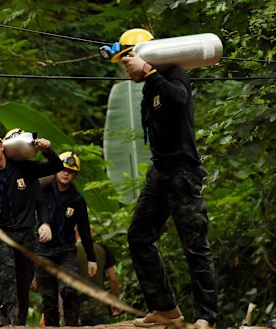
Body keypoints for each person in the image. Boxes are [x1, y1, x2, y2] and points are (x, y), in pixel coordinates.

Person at [114, 28, 219, 329]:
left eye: (128, 59)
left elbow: (177, 99)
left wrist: (148, 72)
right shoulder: (150, 84)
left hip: (182, 171)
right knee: (139, 236)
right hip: (159, 171)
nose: (126, 66)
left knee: (195, 244)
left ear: (143, 55)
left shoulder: (174, 73)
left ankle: (207, 317)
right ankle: (165, 309)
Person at [0, 129, 63, 326]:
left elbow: (56, 166)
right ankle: (8, 324)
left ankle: (19, 323)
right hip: (1, 237)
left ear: (1, 146)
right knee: (6, 281)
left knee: (23, 283)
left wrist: (48, 149)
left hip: (26, 235)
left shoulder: (24, 169)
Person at [36, 152, 98, 327]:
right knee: (48, 298)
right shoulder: (43, 190)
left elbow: (85, 230)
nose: (66, 173)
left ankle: (71, 325)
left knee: (69, 289)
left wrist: (91, 258)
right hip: (43, 252)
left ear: (75, 175)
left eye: (71, 171)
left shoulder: (77, 199)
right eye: (63, 169)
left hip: (66, 252)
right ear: (56, 170)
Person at [76, 228, 121, 325]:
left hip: (78, 303)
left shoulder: (70, 252)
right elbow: (113, 280)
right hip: (100, 302)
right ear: (91, 231)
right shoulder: (102, 249)